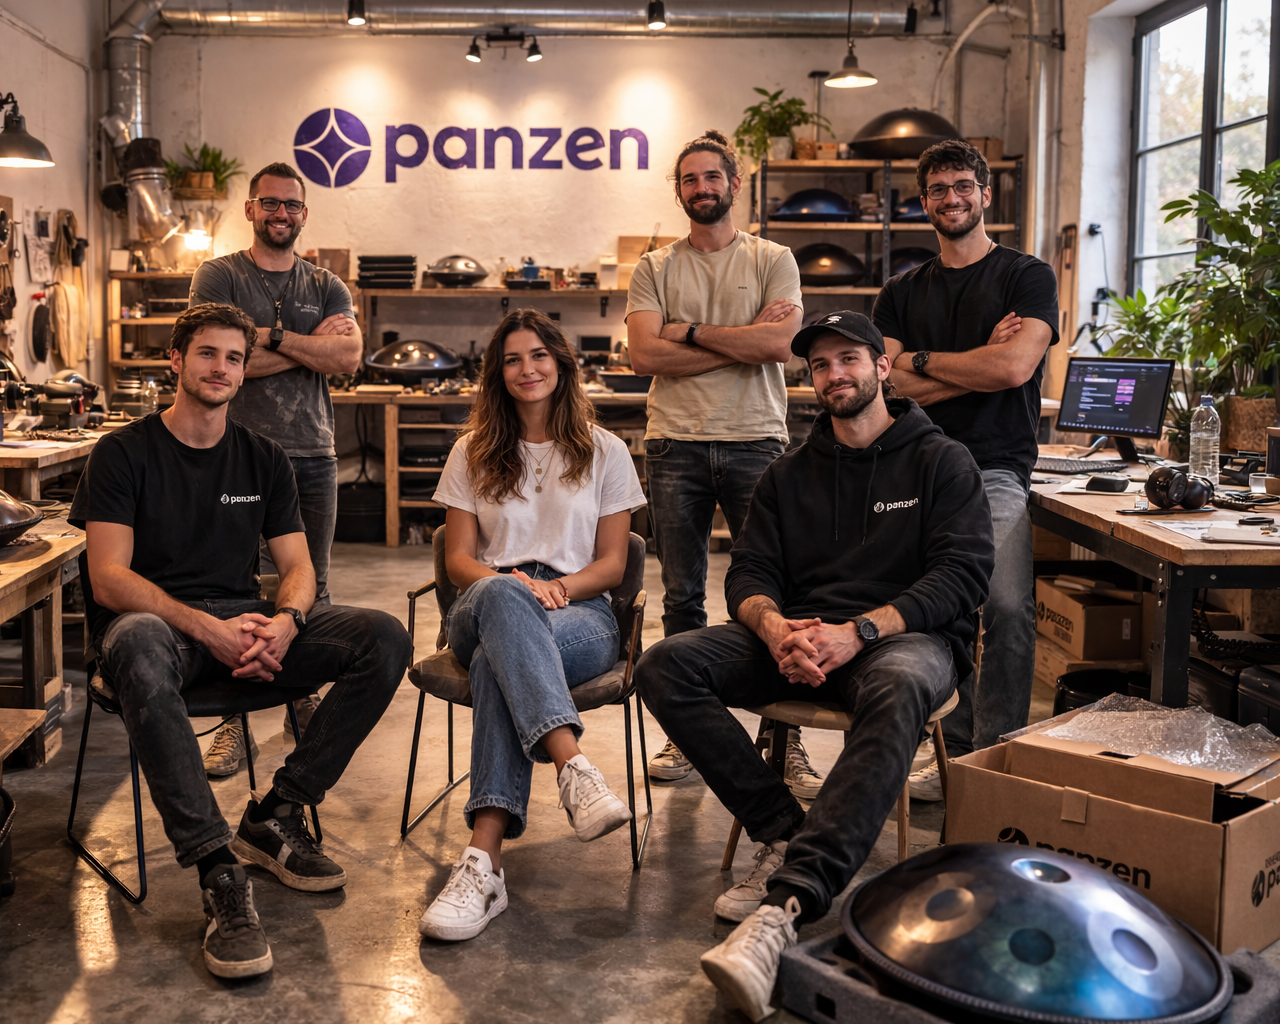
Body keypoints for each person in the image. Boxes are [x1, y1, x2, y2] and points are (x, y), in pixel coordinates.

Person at [635, 313, 994, 1023]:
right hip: (801, 636)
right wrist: (774, 628)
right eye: (821, 364)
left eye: (849, 358)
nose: (835, 374)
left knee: (898, 687)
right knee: (666, 664)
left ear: (882, 367)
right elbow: (749, 572)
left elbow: (962, 576)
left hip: (900, 637)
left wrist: (859, 631)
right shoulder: (787, 473)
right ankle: (782, 830)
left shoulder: (940, 460)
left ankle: (788, 902)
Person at [68, 303, 410, 980]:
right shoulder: (123, 452)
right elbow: (108, 579)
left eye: (234, 357)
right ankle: (216, 867)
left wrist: (285, 623)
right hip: (155, 634)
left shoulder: (263, 457)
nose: (221, 368)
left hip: (242, 623)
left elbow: (298, 567)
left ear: (245, 369)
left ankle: (277, 813)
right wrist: (207, 630)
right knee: (136, 641)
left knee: (383, 636)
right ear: (176, 360)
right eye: (207, 353)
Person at [419, 308, 648, 943]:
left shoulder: (606, 451)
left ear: (561, 364)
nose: (527, 369)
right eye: (512, 360)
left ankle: (483, 862)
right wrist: (515, 585)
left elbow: (612, 565)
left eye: (539, 355)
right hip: (485, 598)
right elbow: (460, 560)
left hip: (580, 612)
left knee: (496, 663)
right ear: (498, 373)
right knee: (501, 600)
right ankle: (572, 766)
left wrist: (558, 588)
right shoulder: (472, 450)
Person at [625, 129, 822, 798]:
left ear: (735, 185)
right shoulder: (654, 267)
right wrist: (742, 339)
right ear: (678, 190)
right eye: (690, 179)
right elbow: (644, 356)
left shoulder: (773, 258)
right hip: (674, 444)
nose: (702, 187)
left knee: (773, 594)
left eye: (713, 176)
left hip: (755, 440)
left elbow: (780, 345)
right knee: (682, 598)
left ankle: (784, 739)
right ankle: (689, 735)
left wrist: (686, 332)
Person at [873, 139, 1059, 790]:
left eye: (961, 186)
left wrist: (923, 363)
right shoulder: (900, 292)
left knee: (1006, 609)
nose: (950, 198)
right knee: (932, 610)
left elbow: (1013, 368)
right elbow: (884, 387)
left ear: (984, 194)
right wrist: (978, 361)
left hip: (996, 469)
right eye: (937, 189)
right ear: (923, 202)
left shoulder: (1026, 277)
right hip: (918, 469)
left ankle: (994, 768)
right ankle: (948, 751)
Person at [191, 161, 363, 776]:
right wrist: (308, 344)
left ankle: (299, 695)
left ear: (304, 213)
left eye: (291, 204)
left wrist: (270, 339)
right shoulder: (219, 275)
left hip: (312, 455)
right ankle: (231, 722)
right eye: (269, 203)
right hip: (232, 456)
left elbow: (348, 357)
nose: (280, 213)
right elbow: (216, 364)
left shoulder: (326, 282)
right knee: (230, 590)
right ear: (250, 209)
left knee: (311, 584)